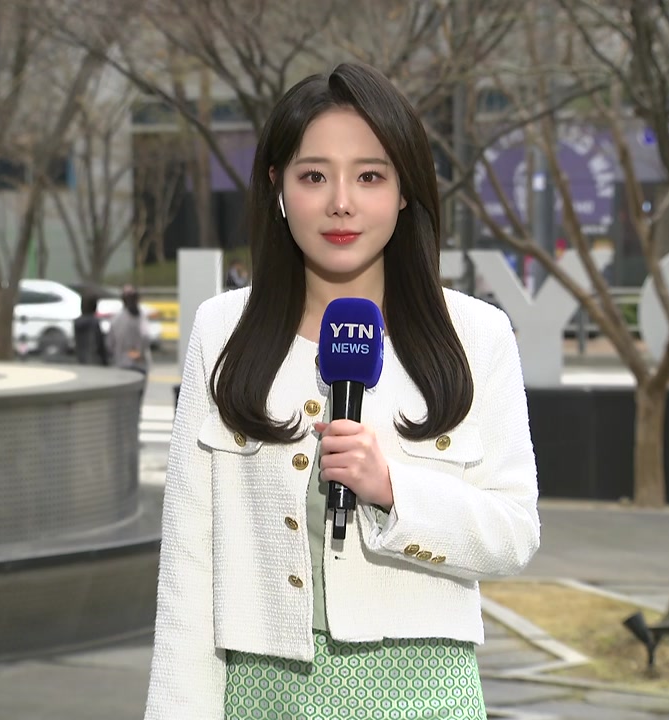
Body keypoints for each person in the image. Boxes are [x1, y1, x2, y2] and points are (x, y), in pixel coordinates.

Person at [144, 63, 540, 720]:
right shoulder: (223, 329)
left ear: (405, 191)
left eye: (370, 177)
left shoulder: (477, 334)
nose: (341, 203)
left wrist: (392, 490)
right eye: (313, 177)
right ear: (278, 186)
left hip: (422, 692)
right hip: (262, 690)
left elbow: (514, 534)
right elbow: (190, 559)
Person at [107, 284, 151, 405]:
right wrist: (139, 352)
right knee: (136, 401)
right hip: (139, 364)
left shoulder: (116, 319)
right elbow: (146, 336)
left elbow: (109, 344)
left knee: (123, 402)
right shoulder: (141, 317)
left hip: (122, 364)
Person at [73, 292, 110, 366]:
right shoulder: (94, 323)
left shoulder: (77, 322)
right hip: (94, 361)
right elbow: (99, 343)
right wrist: (105, 360)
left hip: (80, 359)